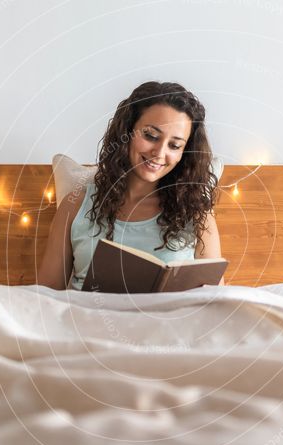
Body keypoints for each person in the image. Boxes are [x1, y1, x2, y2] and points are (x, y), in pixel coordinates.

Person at [37, 81, 225, 290]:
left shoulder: (197, 216)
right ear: (127, 131)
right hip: (88, 320)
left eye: (174, 145)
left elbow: (215, 302)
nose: (159, 153)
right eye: (150, 136)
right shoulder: (75, 206)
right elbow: (46, 298)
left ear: (184, 153)